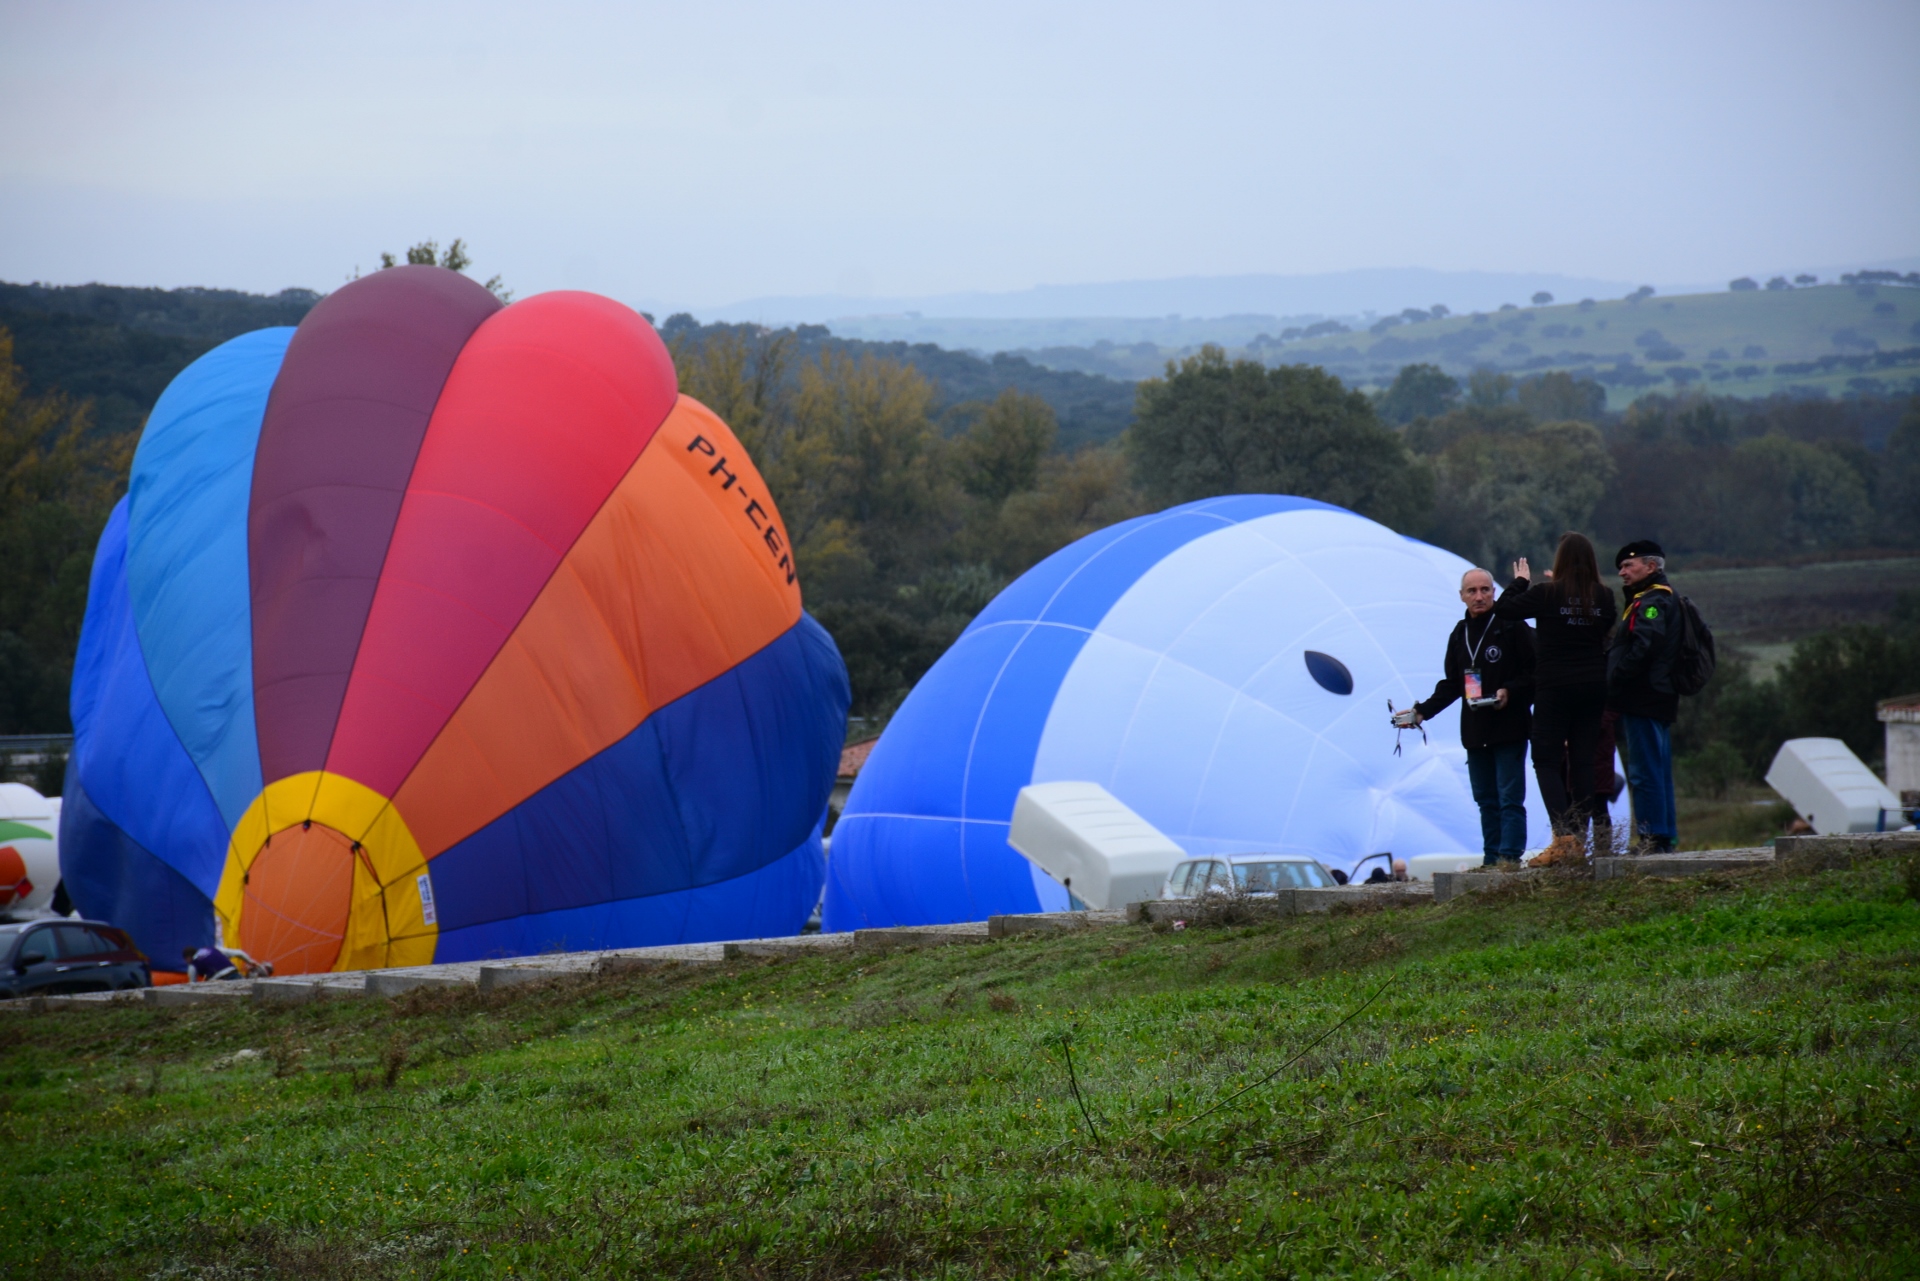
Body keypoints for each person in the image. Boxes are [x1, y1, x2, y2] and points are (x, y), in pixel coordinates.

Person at [1397, 567, 1536, 865]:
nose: (1479, 596)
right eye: (1472, 591)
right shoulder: (1459, 634)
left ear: (1494, 593)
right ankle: (1491, 858)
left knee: (1509, 798)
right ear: (1461, 596)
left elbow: (1534, 672)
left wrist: (1509, 691)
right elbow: (1451, 684)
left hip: (1509, 725)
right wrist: (1421, 712)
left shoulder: (1511, 625)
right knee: (1485, 799)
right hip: (1475, 729)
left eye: (1485, 590)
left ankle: (1509, 859)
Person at [1494, 532, 1614, 844]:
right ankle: (1580, 835)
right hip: (1593, 685)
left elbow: (1503, 609)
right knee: (1583, 761)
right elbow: (1605, 627)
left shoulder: (1547, 594)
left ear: (1559, 560)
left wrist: (1522, 581)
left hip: (1555, 686)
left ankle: (1564, 839)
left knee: (1545, 760)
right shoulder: (1604, 596)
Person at [1608, 539, 1683, 853]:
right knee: (1658, 767)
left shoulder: (1651, 601)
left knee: (1644, 769)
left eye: (1629, 565)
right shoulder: (1660, 598)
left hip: (1644, 695)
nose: (1622, 572)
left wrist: (1617, 674)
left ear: (1651, 567)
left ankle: (1651, 837)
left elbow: (1645, 645)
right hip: (1659, 695)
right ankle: (1664, 835)